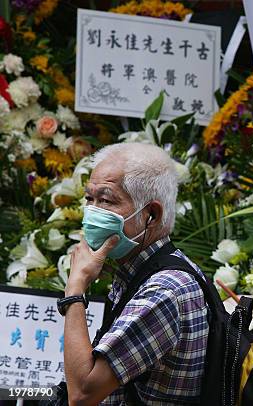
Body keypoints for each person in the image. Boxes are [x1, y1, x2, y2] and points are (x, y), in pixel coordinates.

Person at [61, 142, 208, 405]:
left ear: (151, 214)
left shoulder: (164, 291)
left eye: (106, 200)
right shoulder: (144, 268)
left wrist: (75, 291)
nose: (92, 212)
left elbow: (82, 394)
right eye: (89, 199)